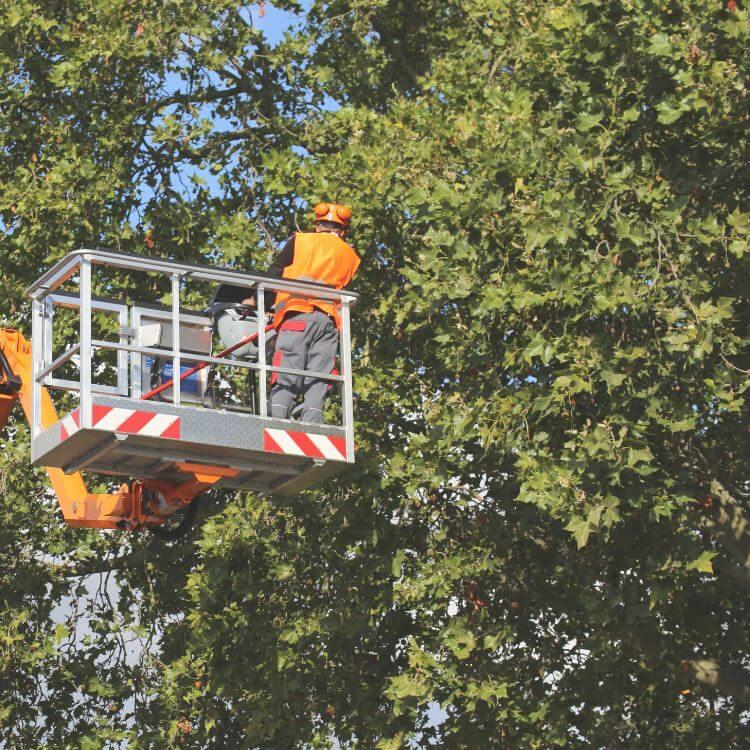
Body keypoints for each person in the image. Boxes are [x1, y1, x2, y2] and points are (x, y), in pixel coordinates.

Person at [259, 202, 360, 423]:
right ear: (343, 231)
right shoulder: (350, 255)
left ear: (317, 226)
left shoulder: (301, 241)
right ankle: (313, 422)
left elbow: (274, 273)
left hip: (297, 314)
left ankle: (276, 419)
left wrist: (266, 307)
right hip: (328, 321)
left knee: (287, 368)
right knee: (319, 374)